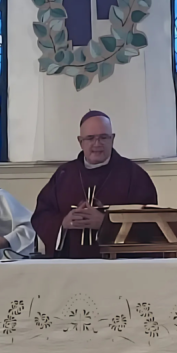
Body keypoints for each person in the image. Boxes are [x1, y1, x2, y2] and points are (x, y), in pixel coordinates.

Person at [32, 111, 158, 259]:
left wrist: (107, 224)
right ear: (80, 141)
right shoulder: (64, 174)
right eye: (90, 138)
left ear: (112, 139)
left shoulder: (134, 175)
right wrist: (63, 223)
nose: (97, 144)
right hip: (70, 263)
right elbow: (42, 215)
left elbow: (150, 223)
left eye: (103, 137)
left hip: (118, 265)